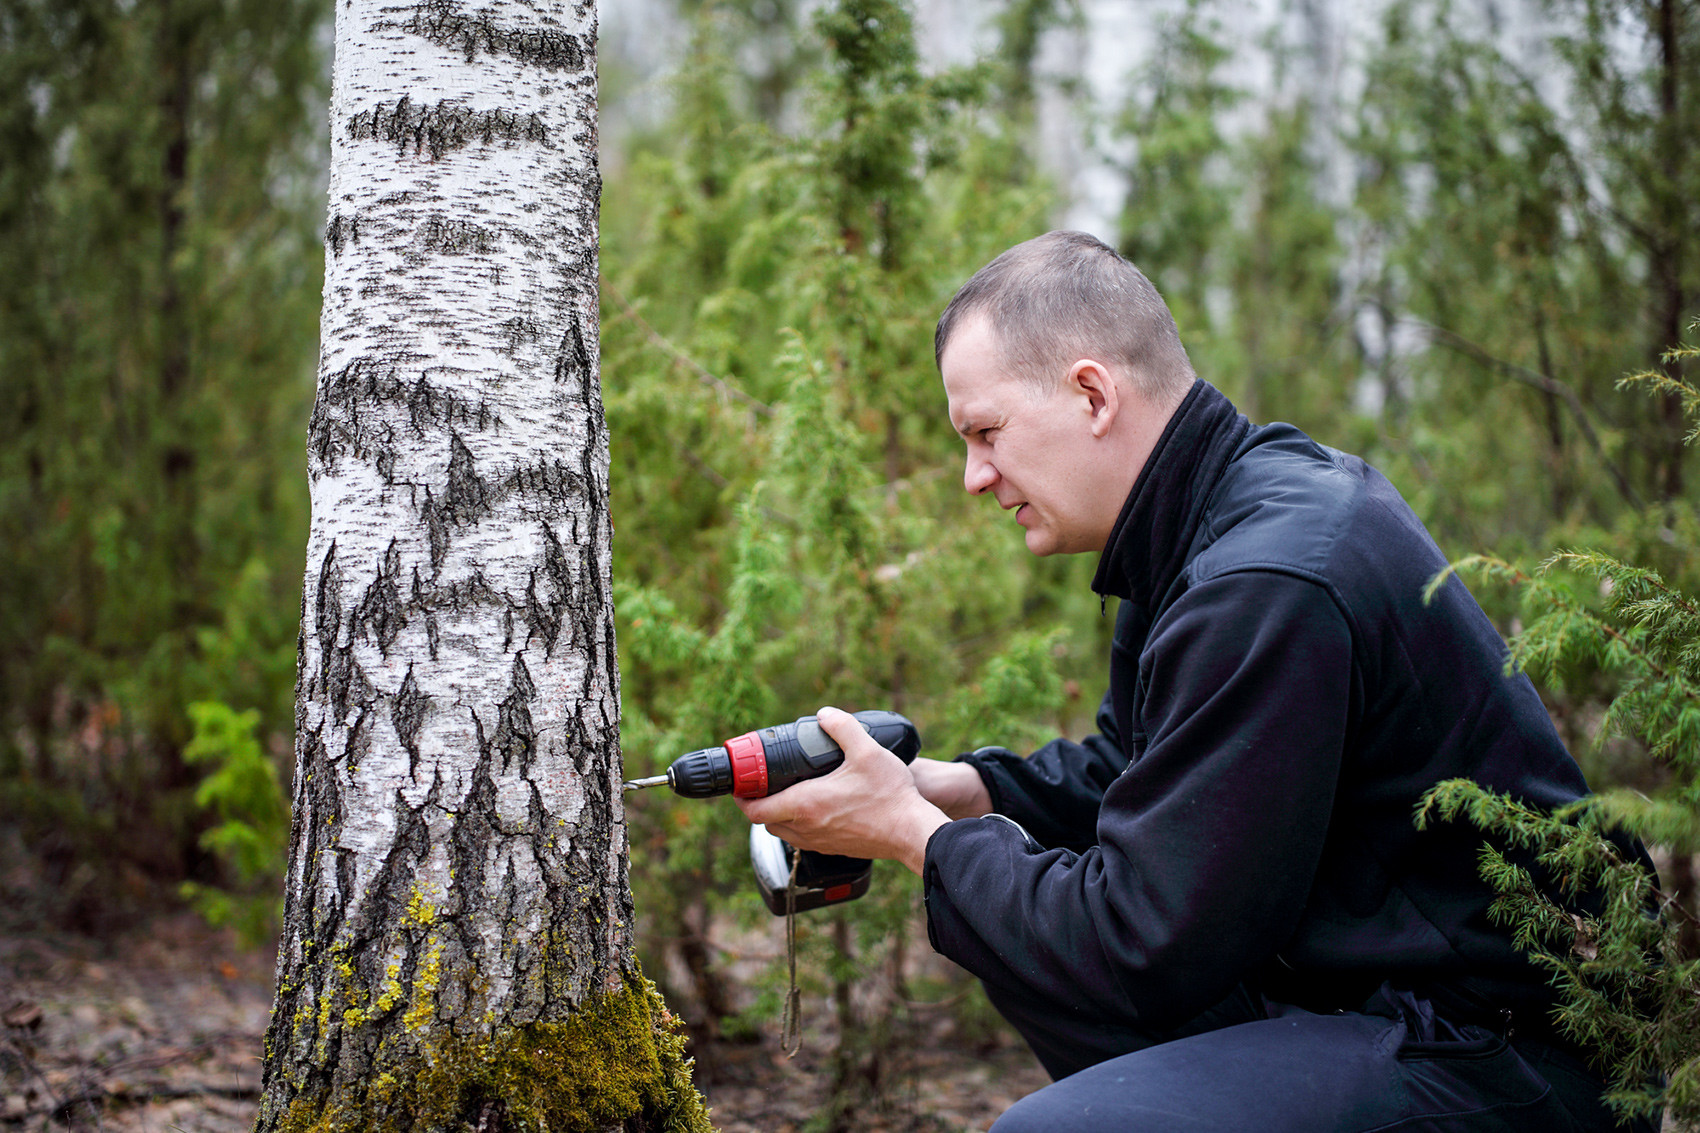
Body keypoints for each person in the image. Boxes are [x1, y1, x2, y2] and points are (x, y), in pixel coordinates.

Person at [736, 230, 1650, 1132]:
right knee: (1027, 945)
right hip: (1382, 999)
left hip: (1517, 1054)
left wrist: (911, 833)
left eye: (986, 432)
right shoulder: (1211, 517)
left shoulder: (1264, 580)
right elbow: (1143, 775)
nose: (975, 477)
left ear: (1092, 393)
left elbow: (1141, 942)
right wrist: (957, 792)